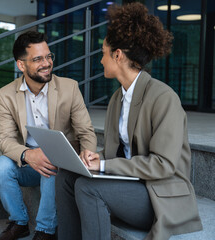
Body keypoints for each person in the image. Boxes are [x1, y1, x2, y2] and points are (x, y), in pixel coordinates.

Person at [56, 3, 203, 240]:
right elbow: (119, 152)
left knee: (88, 187)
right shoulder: (118, 97)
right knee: (66, 177)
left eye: (103, 52)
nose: (101, 59)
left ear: (118, 55)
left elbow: (162, 165)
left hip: (158, 194)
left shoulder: (164, 98)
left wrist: (103, 166)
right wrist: (98, 157)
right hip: (130, 184)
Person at [0, 31, 97, 240]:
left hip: (59, 162)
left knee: (51, 163)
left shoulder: (69, 87)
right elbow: (4, 138)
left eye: (48, 56)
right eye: (38, 59)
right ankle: (19, 222)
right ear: (21, 65)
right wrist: (28, 155)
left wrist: (88, 152)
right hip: (28, 161)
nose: (46, 63)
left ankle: (46, 230)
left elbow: (86, 130)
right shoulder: (6, 94)